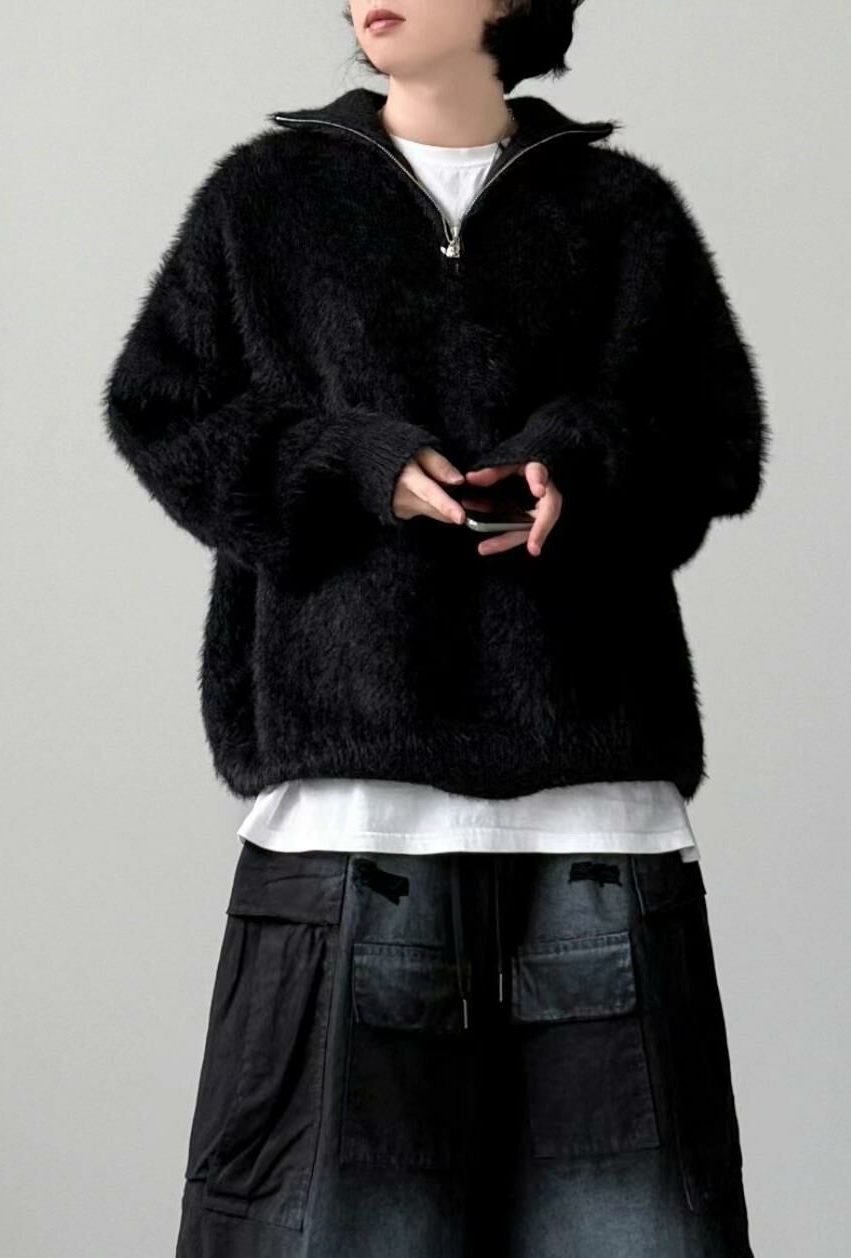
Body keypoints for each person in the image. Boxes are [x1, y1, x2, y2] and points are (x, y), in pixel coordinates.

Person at [102, 2, 770, 1254]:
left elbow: (713, 443)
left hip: (591, 818)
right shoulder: (265, 202)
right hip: (352, 824)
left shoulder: (618, 211)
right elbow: (163, 414)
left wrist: (578, 459)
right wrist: (350, 461)